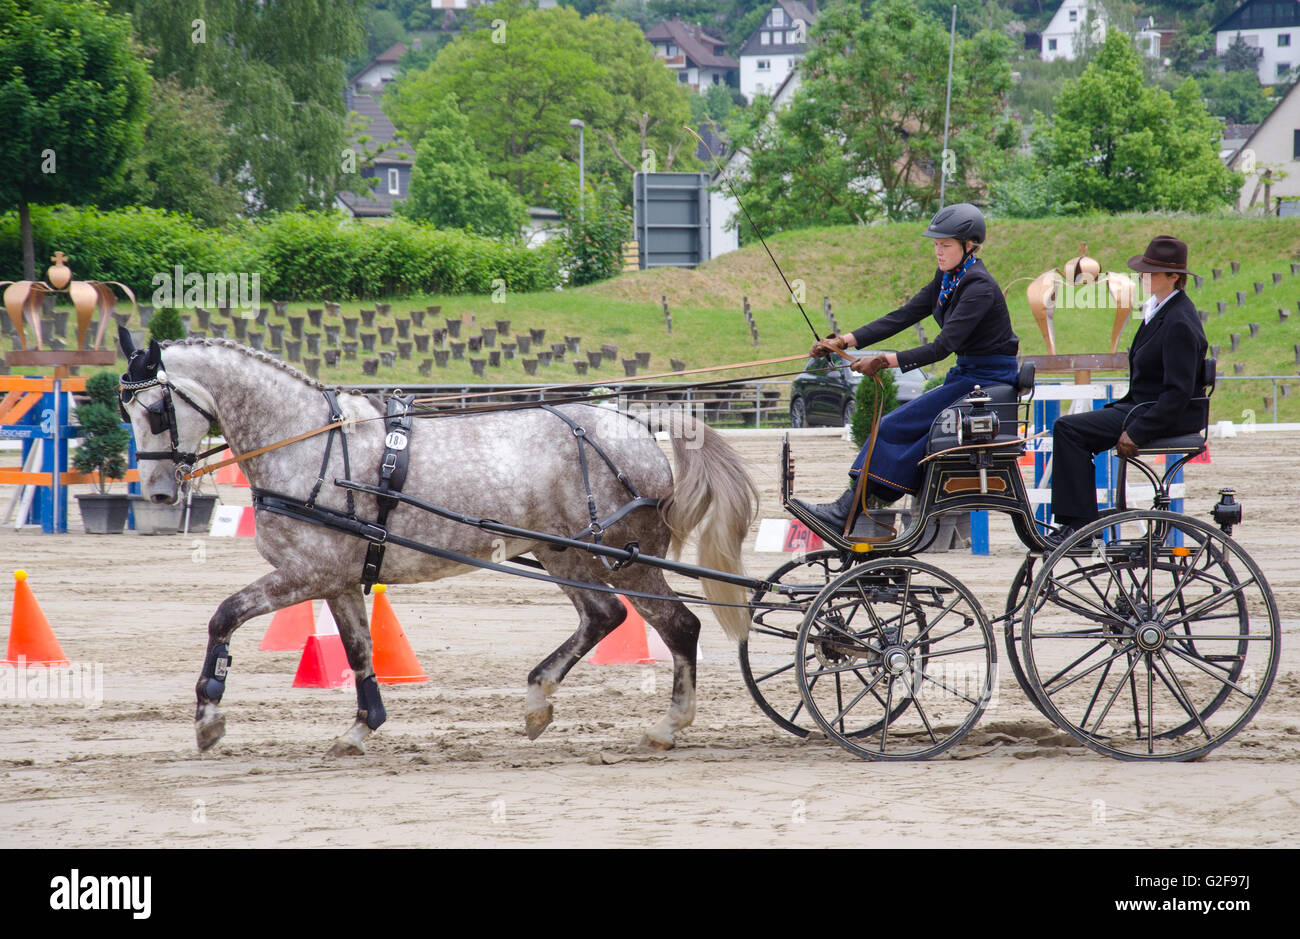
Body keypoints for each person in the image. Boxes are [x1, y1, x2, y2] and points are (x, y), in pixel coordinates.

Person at [793, 203, 1020, 532]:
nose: (938, 252)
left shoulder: (979, 287)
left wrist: (884, 361)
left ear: (969, 246)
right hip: (968, 378)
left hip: (986, 382)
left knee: (890, 426)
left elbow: (941, 347)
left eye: (946, 246)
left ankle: (848, 510)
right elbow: (904, 315)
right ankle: (858, 508)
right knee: (900, 429)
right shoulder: (947, 279)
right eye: (935, 245)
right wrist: (844, 341)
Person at [1049, 235, 1208, 541]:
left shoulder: (1179, 322)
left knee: (1069, 430)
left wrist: (1138, 430)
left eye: (1149, 272)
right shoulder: (1158, 312)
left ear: (1174, 277)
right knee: (1071, 429)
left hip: (1160, 414)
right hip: (1141, 406)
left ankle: (1079, 524)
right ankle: (1078, 519)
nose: (1141, 276)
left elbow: (1178, 393)